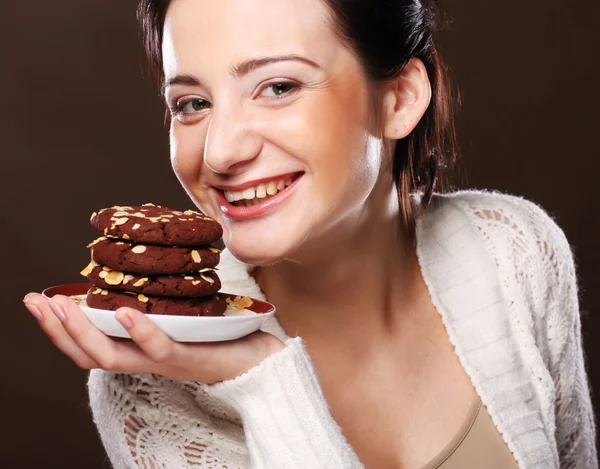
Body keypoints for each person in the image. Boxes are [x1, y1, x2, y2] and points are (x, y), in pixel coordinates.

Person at [23, 0, 597, 467]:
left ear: (397, 99)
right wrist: (262, 378)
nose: (220, 152)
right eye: (192, 103)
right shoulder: (150, 373)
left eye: (278, 87)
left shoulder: (513, 250)